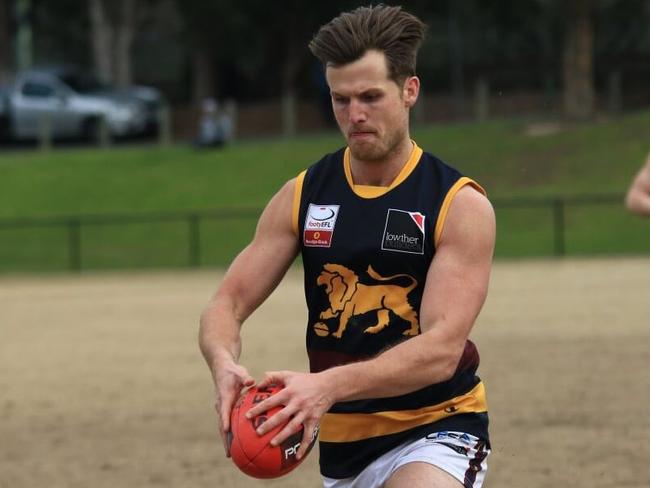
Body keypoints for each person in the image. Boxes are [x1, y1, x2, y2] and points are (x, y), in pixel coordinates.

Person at [199, 5, 496, 488]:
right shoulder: (303, 194)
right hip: (342, 449)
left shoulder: (457, 203)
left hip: (437, 428)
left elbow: (442, 349)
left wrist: (325, 387)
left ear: (410, 91)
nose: (354, 115)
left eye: (370, 97)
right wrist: (223, 363)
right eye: (340, 100)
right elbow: (226, 303)